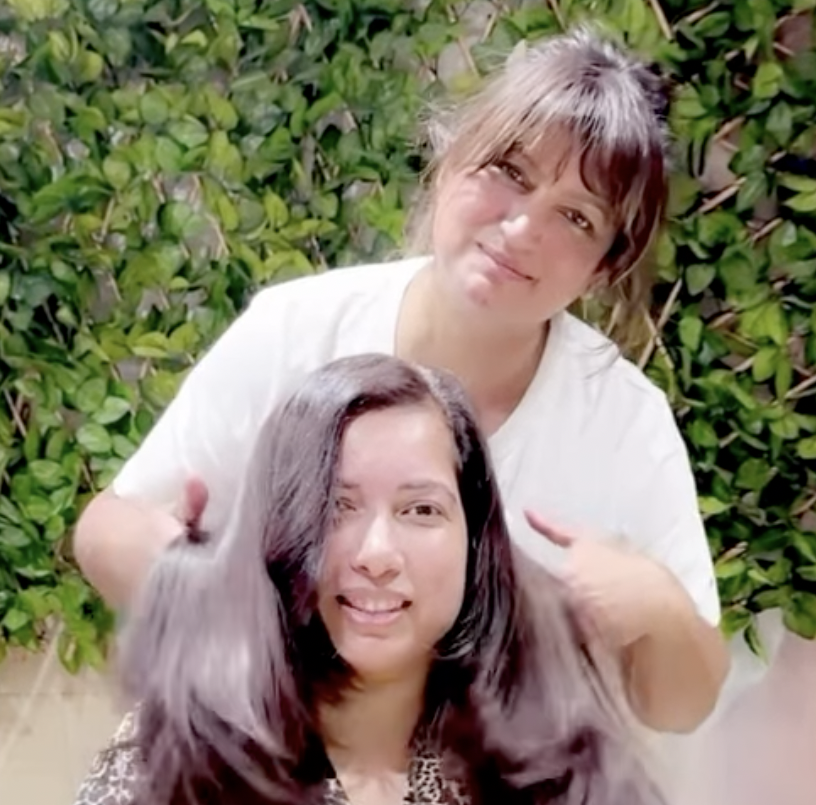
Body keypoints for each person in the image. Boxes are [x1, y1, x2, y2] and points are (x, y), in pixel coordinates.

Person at [1, 356, 740, 805]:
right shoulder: (177, 760)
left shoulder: (560, 760)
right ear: (276, 530)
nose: (377, 554)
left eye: (421, 510)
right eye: (336, 507)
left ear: (475, 537)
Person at [73, 27, 728, 734]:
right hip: (262, 758)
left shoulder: (624, 422)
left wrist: (658, 605)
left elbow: (681, 705)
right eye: (509, 172)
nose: (521, 227)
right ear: (448, 161)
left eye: (576, 216)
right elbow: (108, 530)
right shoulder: (296, 330)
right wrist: (200, 588)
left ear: (605, 266)